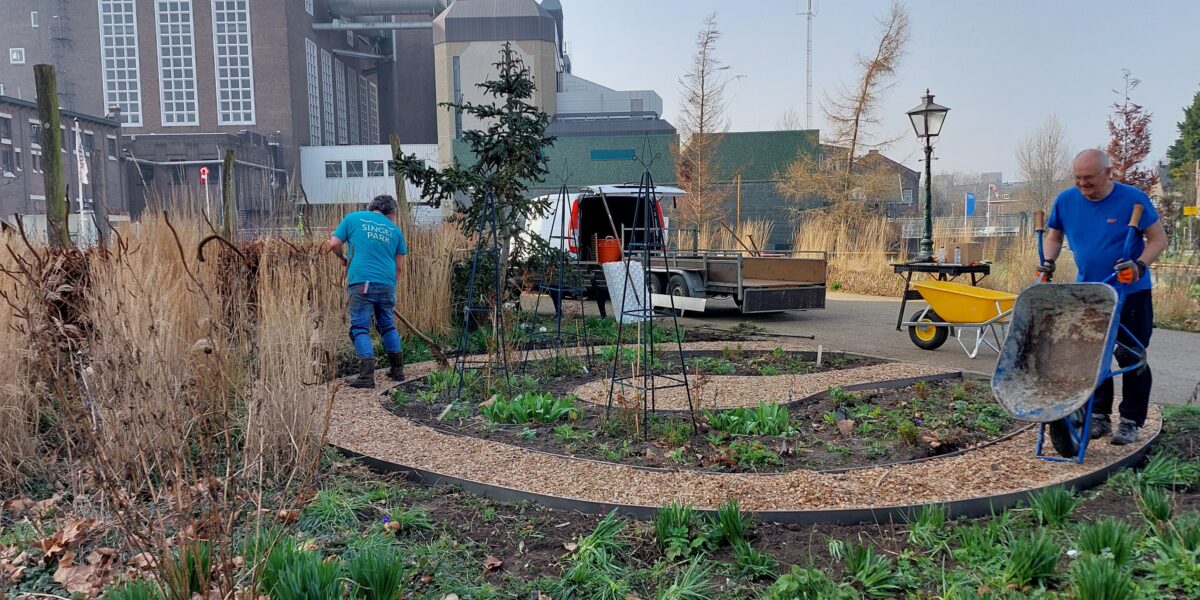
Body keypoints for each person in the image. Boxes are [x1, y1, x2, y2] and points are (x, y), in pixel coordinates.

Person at [1040, 149, 1167, 445]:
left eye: (1089, 178)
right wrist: (1048, 260)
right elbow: (1054, 237)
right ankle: (1099, 416)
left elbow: (1158, 239)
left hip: (1130, 293)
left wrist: (1139, 265)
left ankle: (1131, 421)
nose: (1082, 184)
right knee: (1092, 357)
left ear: (1107, 173)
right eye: (1077, 178)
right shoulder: (1066, 200)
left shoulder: (1132, 199)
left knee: (1130, 355)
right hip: (1090, 294)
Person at [324, 195, 408, 388]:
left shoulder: (353, 218)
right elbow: (399, 267)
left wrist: (343, 258)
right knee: (387, 325)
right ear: (391, 212)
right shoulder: (395, 230)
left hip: (361, 281)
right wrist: (388, 286)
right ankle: (397, 371)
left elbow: (333, 244)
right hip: (387, 283)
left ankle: (366, 377)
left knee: (360, 327)